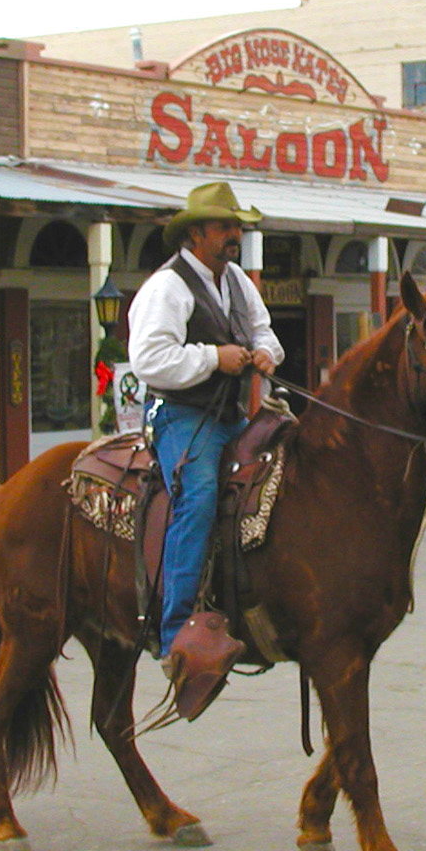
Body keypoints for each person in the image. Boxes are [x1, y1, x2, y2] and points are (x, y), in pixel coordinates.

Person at [128, 182, 283, 669]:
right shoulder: (167, 286)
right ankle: (175, 629)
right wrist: (214, 357)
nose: (234, 234)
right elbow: (149, 361)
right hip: (181, 416)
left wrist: (265, 354)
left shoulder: (237, 279)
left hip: (231, 416)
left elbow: (265, 333)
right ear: (196, 233)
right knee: (196, 498)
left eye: (237, 226)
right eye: (224, 226)